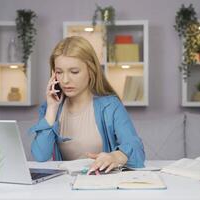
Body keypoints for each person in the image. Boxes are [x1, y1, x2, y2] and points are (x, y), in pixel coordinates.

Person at [29, 36, 145, 174]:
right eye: (59, 72)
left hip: (103, 185)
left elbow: (136, 149)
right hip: (66, 187)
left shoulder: (110, 106)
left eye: (74, 72)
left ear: (91, 70)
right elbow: (40, 156)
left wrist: (115, 156)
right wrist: (52, 108)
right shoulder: (51, 108)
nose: (65, 80)